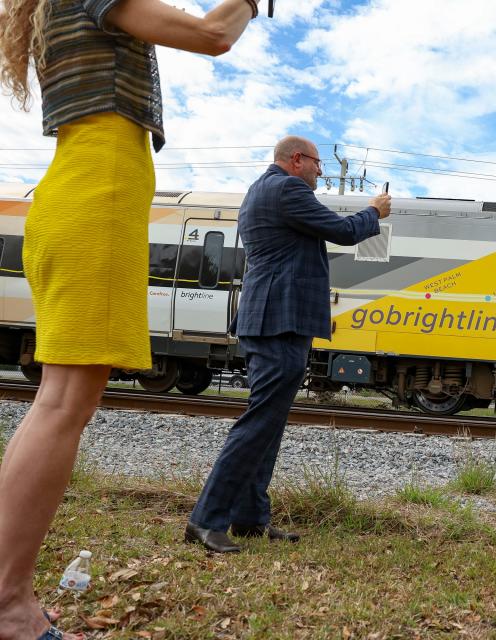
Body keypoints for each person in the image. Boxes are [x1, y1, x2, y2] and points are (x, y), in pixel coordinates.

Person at [0, 1, 262, 637]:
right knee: (64, 402)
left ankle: (6, 589)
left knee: (57, 400)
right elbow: (212, 34)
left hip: (80, 189)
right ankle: (8, 605)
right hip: (97, 193)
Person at [185, 136, 390, 553]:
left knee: (269, 423)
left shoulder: (259, 191)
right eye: (317, 163)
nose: (320, 171)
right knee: (260, 422)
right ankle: (206, 519)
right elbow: (344, 231)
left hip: (268, 319)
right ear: (297, 160)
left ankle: (249, 518)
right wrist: (374, 212)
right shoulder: (287, 188)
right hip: (280, 320)